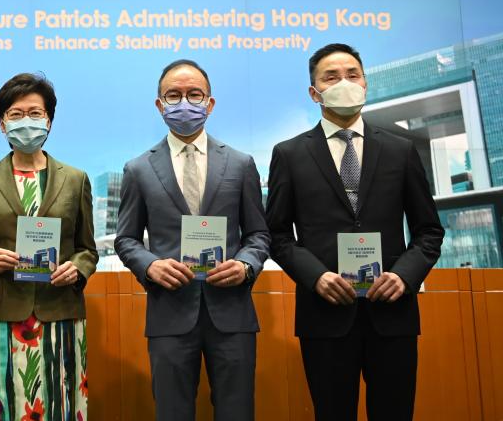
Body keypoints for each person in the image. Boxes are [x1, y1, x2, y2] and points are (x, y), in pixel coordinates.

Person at [265, 43, 445, 421]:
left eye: (352, 74)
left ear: (365, 83)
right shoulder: (289, 154)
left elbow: (429, 230)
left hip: (392, 311)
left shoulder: (401, 149)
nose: (344, 82)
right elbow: (277, 234)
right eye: (331, 77)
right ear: (314, 92)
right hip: (325, 313)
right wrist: (316, 277)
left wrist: (404, 275)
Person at [115, 59, 269, 421]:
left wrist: (246, 265)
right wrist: (150, 265)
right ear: (160, 104)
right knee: (172, 413)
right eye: (174, 95)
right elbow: (126, 240)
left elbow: (259, 234)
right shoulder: (137, 169)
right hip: (170, 312)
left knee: (237, 413)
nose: (185, 103)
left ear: (210, 103)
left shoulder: (241, 163)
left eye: (194, 94)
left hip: (232, 314)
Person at [0, 73, 98, 421]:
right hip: (3, 317)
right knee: (5, 405)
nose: (27, 122)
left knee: (61, 406)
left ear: (49, 120)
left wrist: (77, 268)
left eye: (35, 113)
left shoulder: (75, 179)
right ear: (2, 124)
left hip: (61, 314)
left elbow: (88, 250)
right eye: (16, 114)